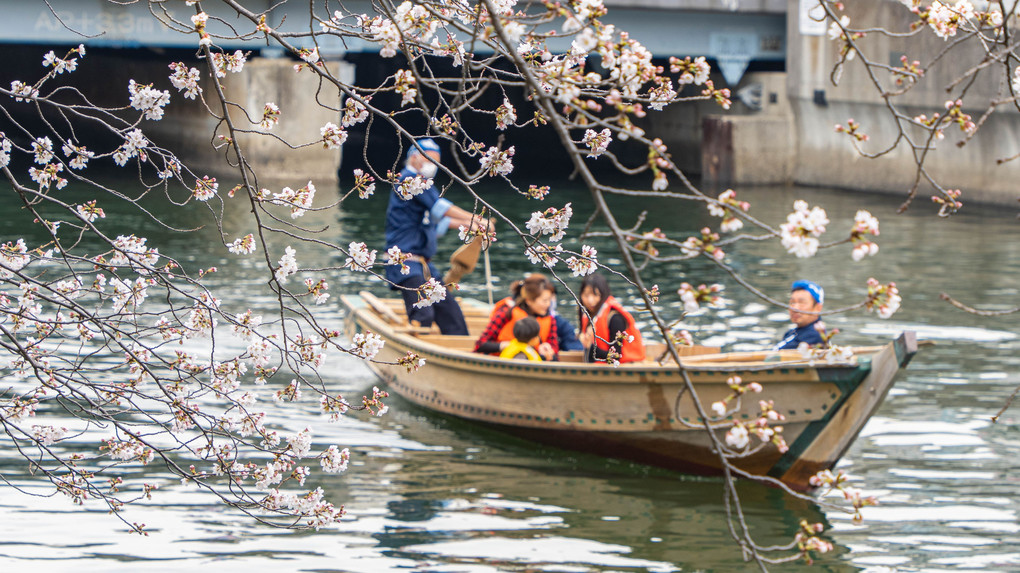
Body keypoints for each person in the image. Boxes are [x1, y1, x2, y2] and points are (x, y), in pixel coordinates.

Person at [384, 138, 489, 335]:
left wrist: (470, 225)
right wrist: (477, 218)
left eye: (436, 162)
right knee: (424, 315)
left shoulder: (422, 186)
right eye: (429, 160)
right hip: (405, 262)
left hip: (423, 265)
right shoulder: (409, 180)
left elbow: (435, 222)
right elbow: (440, 208)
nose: (433, 166)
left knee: (452, 316)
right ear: (415, 158)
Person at [474, 273, 559, 360]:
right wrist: (505, 345)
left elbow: (554, 350)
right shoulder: (507, 313)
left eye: (549, 300)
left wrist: (548, 350)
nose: (548, 304)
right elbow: (481, 344)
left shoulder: (550, 320)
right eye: (545, 301)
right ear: (529, 300)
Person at [576, 273, 646, 364]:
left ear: (603, 294)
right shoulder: (588, 316)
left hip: (626, 366)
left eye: (595, 295)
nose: (590, 300)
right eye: (586, 295)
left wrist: (591, 347)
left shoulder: (615, 319)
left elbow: (615, 357)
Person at [773, 280, 825, 350]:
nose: (795, 308)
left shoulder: (815, 336)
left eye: (801, 303)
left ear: (818, 308)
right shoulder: (791, 332)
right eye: (792, 302)